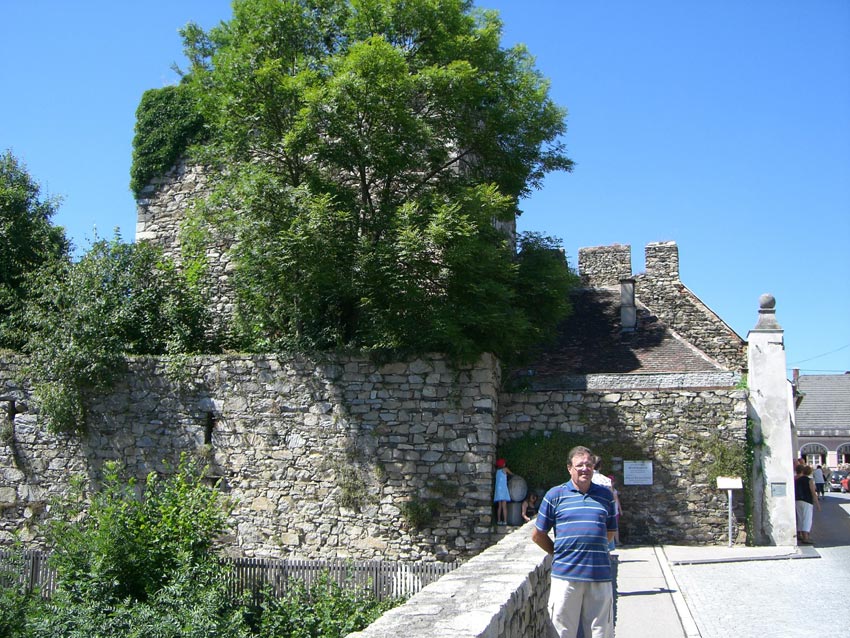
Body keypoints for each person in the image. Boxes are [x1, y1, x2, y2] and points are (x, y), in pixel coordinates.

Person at [532, 445, 617, 638]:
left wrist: (593, 549)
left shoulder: (605, 496)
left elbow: (610, 531)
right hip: (566, 576)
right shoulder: (555, 495)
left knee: (601, 633)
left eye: (589, 464)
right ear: (569, 468)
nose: (585, 469)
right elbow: (538, 534)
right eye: (580, 465)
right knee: (561, 633)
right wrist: (560, 553)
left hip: (599, 575)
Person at [794, 464, 820, 544]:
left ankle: (800, 534)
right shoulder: (809, 480)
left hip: (797, 500)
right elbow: (813, 493)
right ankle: (806, 537)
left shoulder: (797, 480)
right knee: (807, 519)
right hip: (807, 500)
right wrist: (817, 504)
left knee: (800, 518)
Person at [493, 458, 513, 526]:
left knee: (499, 506)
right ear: (503, 464)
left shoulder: (497, 471)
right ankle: (505, 521)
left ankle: (498, 520)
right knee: (504, 506)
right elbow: (511, 474)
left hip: (498, 490)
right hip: (503, 489)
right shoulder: (505, 469)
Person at [608, 475, 622, 545]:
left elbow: (617, 500)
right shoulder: (607, 490)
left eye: (612, 482)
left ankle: (617, 541)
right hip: (610, 511)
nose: (611, 483)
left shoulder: (615, 490)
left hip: (615, 511)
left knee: (616, 527)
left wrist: (620, 510)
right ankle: (612, 543)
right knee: (610, 528)